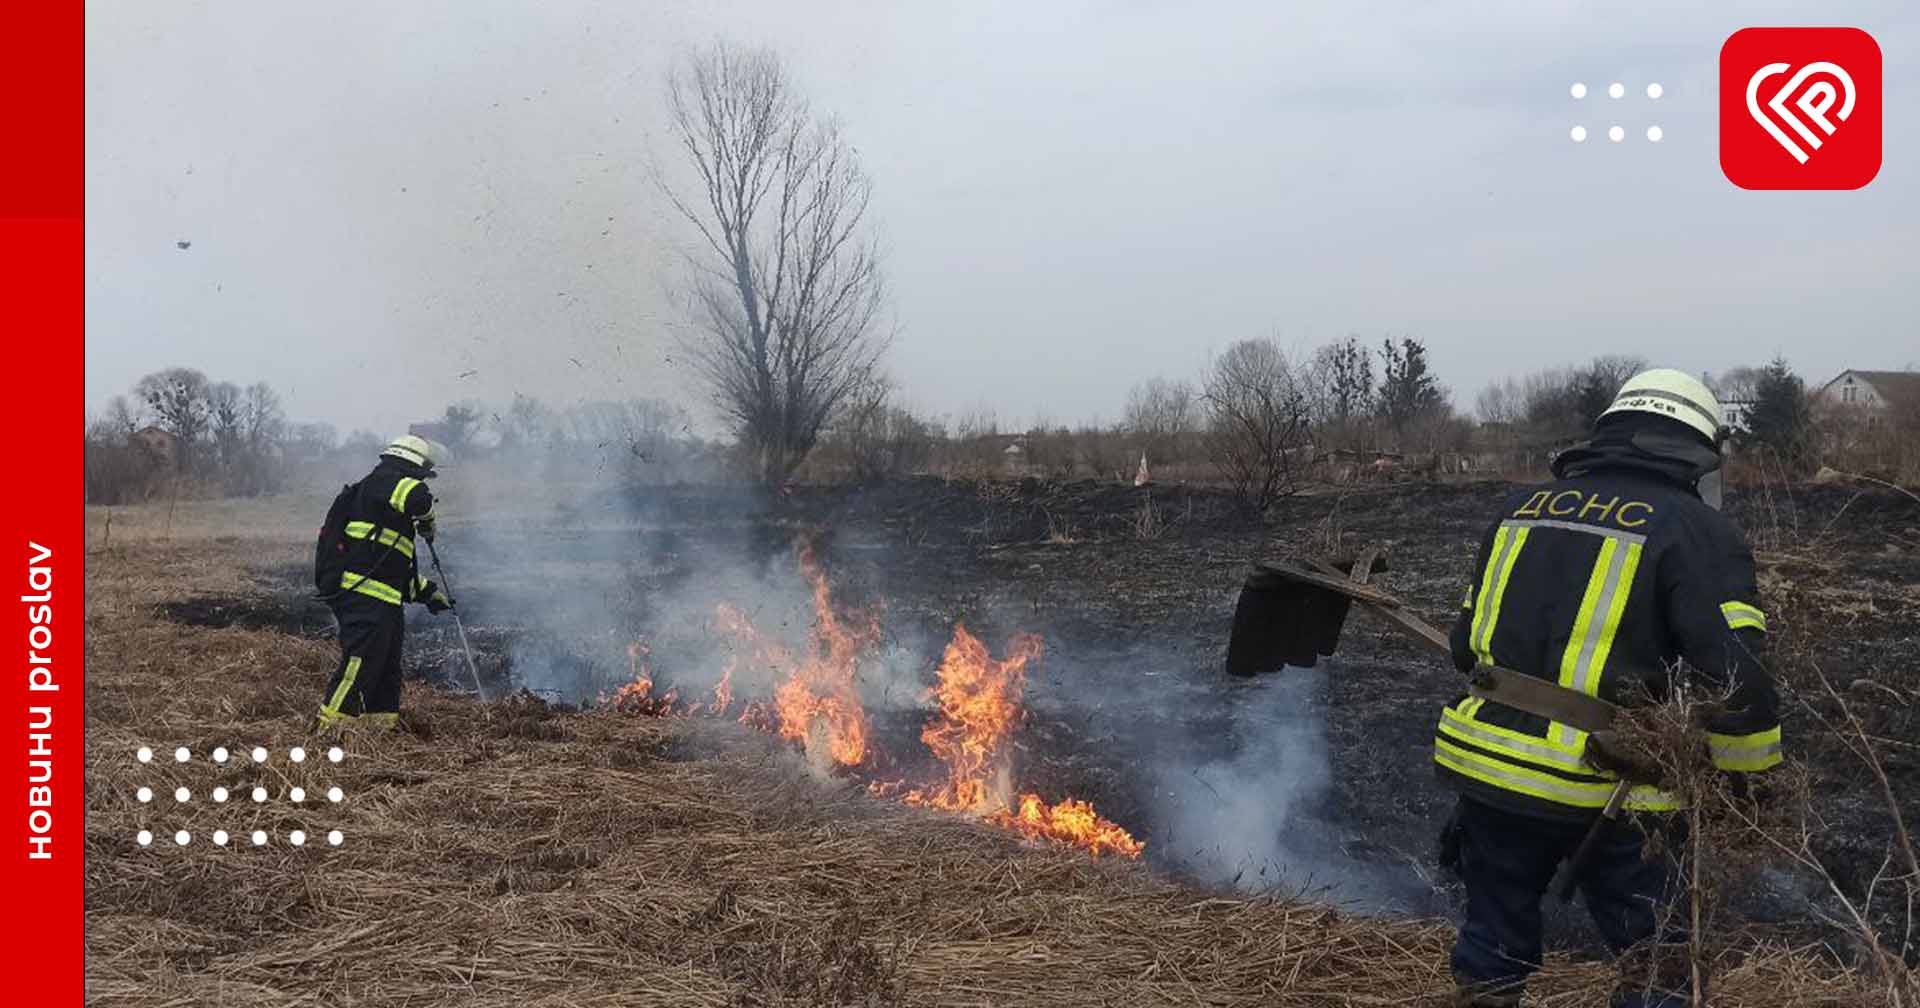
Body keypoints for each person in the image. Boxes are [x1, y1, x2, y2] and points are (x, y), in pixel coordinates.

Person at [1436, 369, 1781, 1007]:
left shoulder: (1517, 512)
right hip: (1608, 786)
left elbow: (1464, 649)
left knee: (1492, 946)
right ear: (1695, 451)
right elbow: (1737, 682)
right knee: (1660, 965)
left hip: (1486, 769)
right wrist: (1748, 789)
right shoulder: (1699, 532)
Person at [313, 434, 454, 731]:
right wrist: (428, 521)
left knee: (386, 667)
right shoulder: (383, 482)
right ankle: (328, 732)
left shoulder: (387, 509)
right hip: (362, 595)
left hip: (382, 598)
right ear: (412, 465)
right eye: (423, 473)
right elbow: (419, 498)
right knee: (361, 663)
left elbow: (393, 569)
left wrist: (429, 594)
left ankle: (378, 729)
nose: (425, 480)